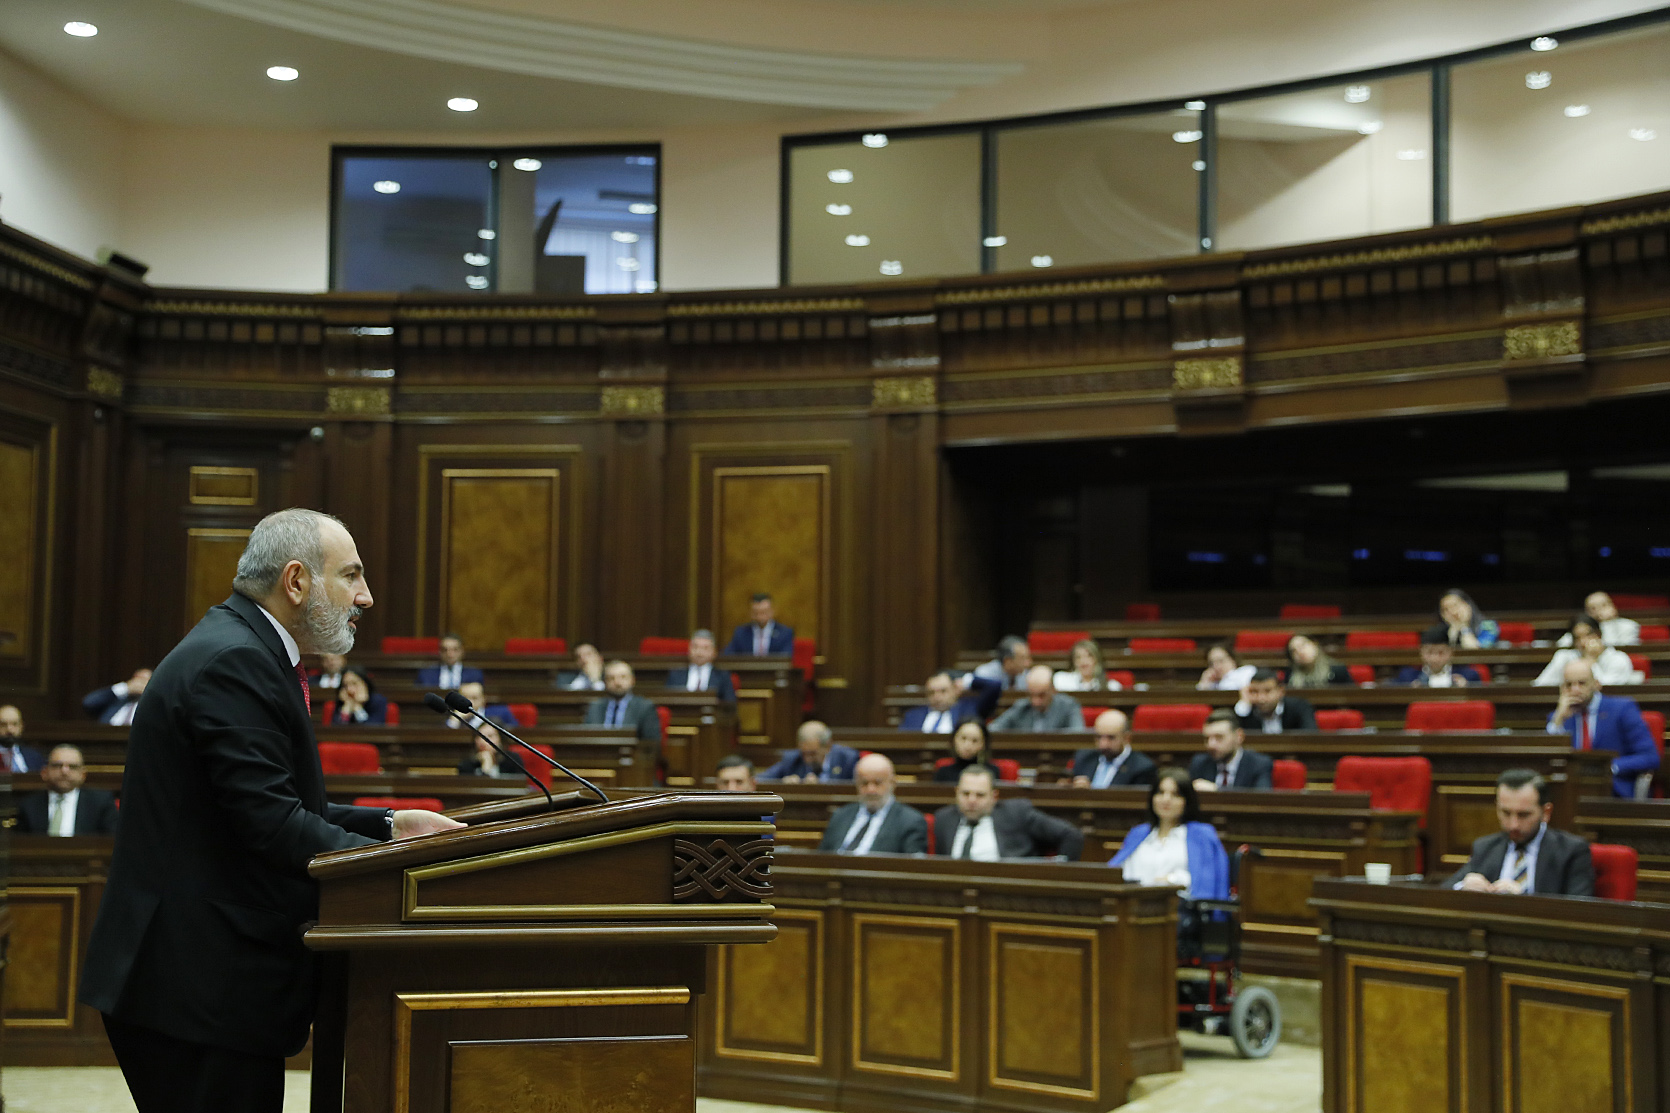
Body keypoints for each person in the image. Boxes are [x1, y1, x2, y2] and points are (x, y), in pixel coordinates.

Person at [79, 508, 463, 1113]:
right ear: (296, 581)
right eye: (353, 576)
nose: (367, 596)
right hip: (195, 986)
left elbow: (265, 804)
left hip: (206, 982)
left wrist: (392, 825)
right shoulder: (235, 659)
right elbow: (271, 824)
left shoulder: (245, 646)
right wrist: (408, 874)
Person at [1449, 769, 1594, 896]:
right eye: (1506, 813)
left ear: (1546, 812)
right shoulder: (1485, 847)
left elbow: (1578, 909)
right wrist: (1463, 887)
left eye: (1523, 815)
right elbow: (1442, 891)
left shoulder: (1571, 851)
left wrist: (1524, 900)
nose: (1513, 825)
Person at [1107, 769, 1230, 899]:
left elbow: (1208, 883)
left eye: (1175, 794)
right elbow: (1116, 873)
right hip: (1135, 907)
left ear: (1187, 801)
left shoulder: (1202, 835)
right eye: (1160, 793)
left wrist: (1173, 879)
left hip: (1180, 910)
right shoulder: (1139, 834)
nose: (1166, 800)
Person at [1546, 658, 1659, 798]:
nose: (1575, 690)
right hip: (1571, 791)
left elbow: (1649, 757)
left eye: (1582, 683)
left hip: (1613, 790)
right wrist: (1558, 721)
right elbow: (1550, 761)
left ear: (1596, 684)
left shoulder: (1622, 709)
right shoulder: (1559, 717)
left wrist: (1609, 767)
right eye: (1569, 685)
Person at [932, 765, 1083, 859]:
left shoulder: (1017, 813)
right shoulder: (943, 819)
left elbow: (1071, 836)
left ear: (994, 796)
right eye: (965, 794)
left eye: (980, 795)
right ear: (956, 793)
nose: (972, 800)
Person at [817, 753, 927, 855]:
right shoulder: (840, 815)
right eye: (864, 783)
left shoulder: (910, 821)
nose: (870, 790)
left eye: (877, 783)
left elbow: (912, 867)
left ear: (892, 783)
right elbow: (821, 858)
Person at [16, 743, 120, 836]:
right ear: (44, 772)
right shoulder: (29, 805)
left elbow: (111, 842)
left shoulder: (100, 803)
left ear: (83, 775)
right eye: (57, 766)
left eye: (72, 766)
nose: (64, 771)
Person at [1534, 615, 1641, 687]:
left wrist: (1589, 660)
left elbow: (1603, 690)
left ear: (1599, 634)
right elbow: (1540, 685)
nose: (1583, 642)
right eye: (1578, 638)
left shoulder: (1618, 659)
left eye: (1588, 635)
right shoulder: (1563, 657)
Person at [1067, 709, 1158, 789]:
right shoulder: (1084, 759)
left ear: (1127, 738)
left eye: (1111, 738)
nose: (1103, 744)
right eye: (1099, 737)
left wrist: (1091, 794)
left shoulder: (1142, 768)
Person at [1190, 709, 1274, 791]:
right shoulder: (1200, 763)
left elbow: (1261, 799)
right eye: (1207, 738)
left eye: (1219, 737)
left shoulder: (1259, 764)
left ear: (1239, 736)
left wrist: (1217, 790)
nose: (1211, 745)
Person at [582, 660, 663, 743]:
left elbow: (652, 743)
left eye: (623, 677)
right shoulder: (595, 707)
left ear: (632, 680)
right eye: (611, 678)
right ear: (605, 682)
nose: (617, 682)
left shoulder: (644, 707)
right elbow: (586, 738)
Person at [990, 665, 1088, 732]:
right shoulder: (1022, 706)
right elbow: (994, 728)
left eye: (1041, 695)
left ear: (1053, 690)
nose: (1035, 701)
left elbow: (1077, 734)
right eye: (1031, 695)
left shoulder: (1069, 706)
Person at [761, 720, 858, 783]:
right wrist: (783, 783)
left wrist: (820, 785)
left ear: (827, 746)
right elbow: (761, 779)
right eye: (804, 754)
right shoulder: (792, 759)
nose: (808, 759)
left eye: (812, 754)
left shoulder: (848, 759)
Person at [901, 670, 996, 733]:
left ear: (955, 690)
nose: (937, 697)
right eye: (931, 692)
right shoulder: (912, 715)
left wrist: (966, 680)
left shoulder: (968, 710)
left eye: (943, 691)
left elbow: (994, 686)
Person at [1233, 668, 1317, 733]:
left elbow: (1310, 736)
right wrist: (1243, 706)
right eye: (1255, 692)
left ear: (1280, 691)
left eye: (1267, 691)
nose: (1261, 698)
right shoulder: (1247, 711)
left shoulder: (1299, 707)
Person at [666, 629, 737, 704]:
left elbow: (730, 705)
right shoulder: (676, 675)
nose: (699, 652)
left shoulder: (722, 676)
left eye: (705, 648)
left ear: (714, 652)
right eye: (695, 647)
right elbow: (668, 701)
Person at [1395, 630, 1484, 687]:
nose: (1435, 658)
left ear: (1450, 652)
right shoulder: (1407, 677)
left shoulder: (1469, 676)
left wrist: (1467, 689)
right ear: (1421, 652)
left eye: (1441, 653)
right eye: (1429, 652)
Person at [1556, 592, 1641, 648]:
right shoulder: (1583, 628)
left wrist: (1608, 622)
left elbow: (1614, 647)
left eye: (1603, 605)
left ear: (1612, 606)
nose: (1598, 611)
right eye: (1592, 609)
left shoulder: (1629, 626)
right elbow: (1562, 644)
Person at [724, 593, 794, 656]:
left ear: (772, 611)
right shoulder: (741, 633)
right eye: (756, 613)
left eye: (764, 612)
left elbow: (786, 658)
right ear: (750, 613)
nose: (760, 617)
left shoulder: (784, 633)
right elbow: (728, 656)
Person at [1424, 589, 1498, 649]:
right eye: (1446, 609)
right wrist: (1452, 638)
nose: (1452, 612)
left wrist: (1464, 629)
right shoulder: (1436, 633)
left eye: (1455, 605)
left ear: (1468, 605)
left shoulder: (1488, 626)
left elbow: (1475, 650)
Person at [454, 722, 529, 779]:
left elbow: (519, 786)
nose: (483, 741)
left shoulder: (513, 760)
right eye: (479, 736)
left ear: (500, 740)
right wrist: (486, 766)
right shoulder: (466, 765)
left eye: (490, 736)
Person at [322, 666, 390, 725]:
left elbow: (372, 731)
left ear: (365, 684)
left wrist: (358, 708)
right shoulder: (341, 702)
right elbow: (334, 733)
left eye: (354, 684)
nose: (349, 690)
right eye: (345, 686)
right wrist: (346, 709)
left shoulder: (378, 701)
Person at [83, 668, 151, 726]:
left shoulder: (153, 706)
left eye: (144, 680)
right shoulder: (116, 702)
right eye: (136, 680)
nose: (138, 684)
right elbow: (88, 702)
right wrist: (125, 688)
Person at [932, 719, 993, 784]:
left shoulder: (991, 771)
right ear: (954, 739)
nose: (967, 746)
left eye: (975, 740)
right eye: (963, 738)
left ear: (983, 744)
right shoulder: (943, 772)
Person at [416, 633, 483, 690]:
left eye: (455, 650)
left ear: (462, 651)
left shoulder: (474, 675)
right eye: (445, 650)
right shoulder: (426, 674)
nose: (450, 654)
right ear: (440, 652)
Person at [1283, 635, 1351, 688]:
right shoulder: (1290, 675)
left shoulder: (1338, 670)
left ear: (1314, 644)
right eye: (1294, 651)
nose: (1300, 652)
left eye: (1303, 645)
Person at [1054, 639, 1119, 692]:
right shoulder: (1060, 680)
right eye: (1078, 657)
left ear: (1097, 659)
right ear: (1073, 661)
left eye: (1089, 656)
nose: (1083, 661)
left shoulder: (1112, 687)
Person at [448, 680, 516, 729]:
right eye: (465, 698)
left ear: (483, 700)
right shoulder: (452, 716)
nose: (470, 702)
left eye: (474, 698)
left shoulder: (501, 713)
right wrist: (455, 720)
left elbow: (515, 733)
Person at [1, 704, 44, 774]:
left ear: (21, 727)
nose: (9, 730)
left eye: (14, 724)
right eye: (3, 725)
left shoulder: (34, 756)